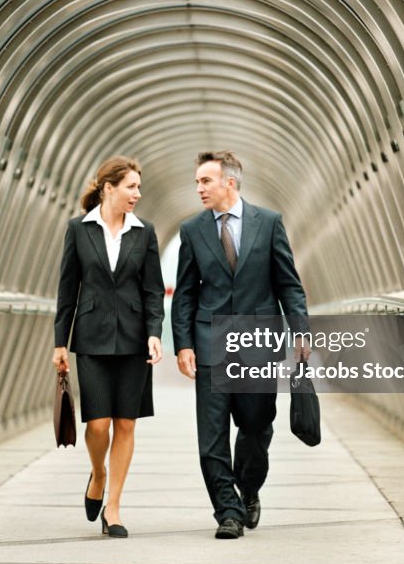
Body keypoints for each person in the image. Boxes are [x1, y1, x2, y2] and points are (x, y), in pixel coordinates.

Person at [172, 150, 309, 539]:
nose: (198, 188)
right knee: (211, 435)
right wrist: (184, 344)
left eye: (205, 181)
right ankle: (227, 512)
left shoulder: (268, 223)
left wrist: (300, 331)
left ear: (229, 183)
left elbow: (288, 283)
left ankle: (248, 488)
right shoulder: (192, 230)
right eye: (197, 181)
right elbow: (184, 293)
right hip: (210, 344)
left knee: (256, 425)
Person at [52, 156, 165, 537]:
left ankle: (113, 508)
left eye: (138, 187)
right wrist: (59, 343)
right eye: (131, 186)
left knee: (126, 424)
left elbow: (152, 290)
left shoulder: (144, 232)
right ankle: (97, 473)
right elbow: (68, 289)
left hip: (135, 340)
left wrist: (154, 332)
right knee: (98, 423)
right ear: (109, 188)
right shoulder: (79, 230)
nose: (137, 193)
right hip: (92, 338)